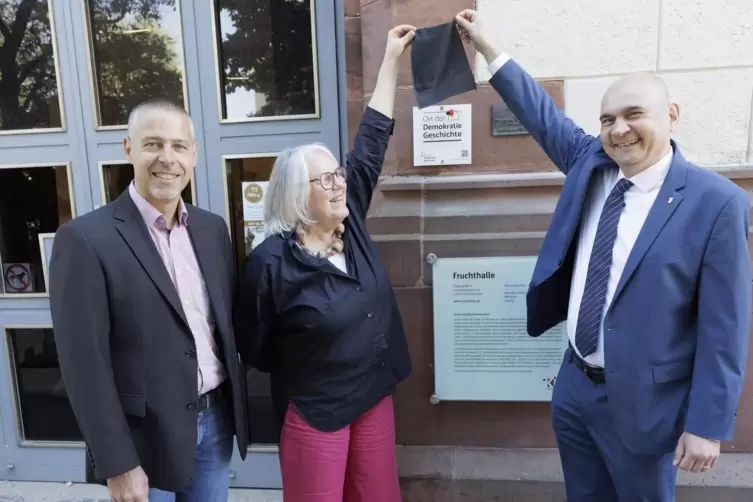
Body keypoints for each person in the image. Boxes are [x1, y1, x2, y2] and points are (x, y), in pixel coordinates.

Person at [456, 9, 751, 502]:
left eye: (634, 114)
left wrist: (708, 423)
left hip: (645, 402)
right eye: (608, 119)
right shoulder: (589, 164)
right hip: (575, 388)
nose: (619, 130)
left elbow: (725, 326)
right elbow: (540, 113)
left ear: (671, 114)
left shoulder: (716, 203)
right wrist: (490, 48)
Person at [233, 25, 416, 502]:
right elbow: (255, 346)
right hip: (316, 408)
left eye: (338, 173)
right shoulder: (270, 263)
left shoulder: (348, 218)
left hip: (373, 394)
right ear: (298, 196)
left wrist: (391, 57)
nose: (339, 183)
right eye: (324, 179)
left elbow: (373, 138)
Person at [49, 99, 249, 502]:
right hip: (143, 440)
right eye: (153, 144)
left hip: (214, 423)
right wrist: (117, 463)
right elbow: (84, 366)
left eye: (178, 146)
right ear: (128, 149)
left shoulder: (212, 229)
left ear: (193, 154)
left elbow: (221, 328)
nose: (167, 158)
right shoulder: (85, 239)